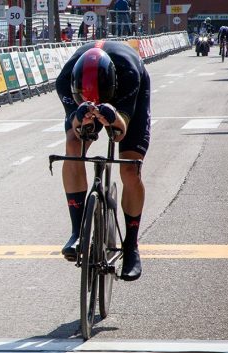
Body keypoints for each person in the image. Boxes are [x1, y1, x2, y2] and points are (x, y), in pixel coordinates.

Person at [56, 40, 151, 281]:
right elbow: (75, 131)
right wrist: (80, 118)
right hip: (83, 97)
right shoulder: (65, 81)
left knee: (130, 169)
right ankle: (77, 231)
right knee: (73, 145)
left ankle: (131, 246)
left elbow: (122, 131)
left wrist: (111, 116)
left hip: (121, 98)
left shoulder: (129, 74)